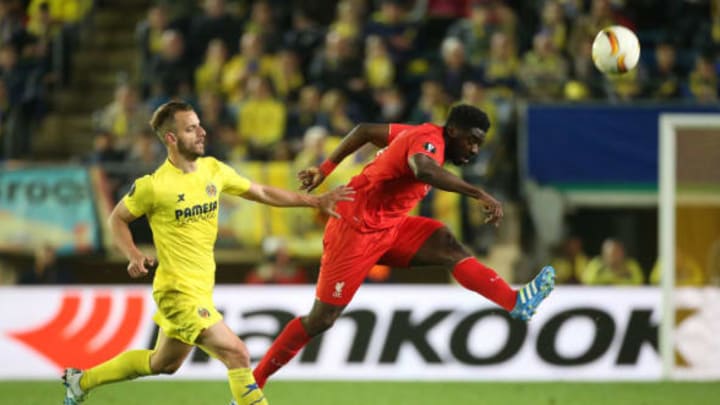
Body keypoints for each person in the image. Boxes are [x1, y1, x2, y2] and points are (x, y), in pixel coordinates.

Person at [62, 101, 353, 405]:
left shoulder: (213, 169)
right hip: (177, 291)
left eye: (199, 124)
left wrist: (315, 201)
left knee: (164, 363)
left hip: (201, 289)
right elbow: (117, 218)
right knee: (237, 353)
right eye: (191, 128)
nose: (202, 132)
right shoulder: (153, 186)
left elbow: (263, 193)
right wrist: (133, 253)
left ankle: (81, 381)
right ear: (171, 139)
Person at [252, 104, 556, 387]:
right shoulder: (428, 141)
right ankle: (253, 383)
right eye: (470, 141)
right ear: (452, 131)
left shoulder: (415, 134)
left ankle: (516, 302)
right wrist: (479, 194)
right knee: (321, 319)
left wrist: (325, 168)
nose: (474, 150)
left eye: (479, 144)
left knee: (446, 243)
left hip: (389, 227)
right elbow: (423, 169)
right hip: (354, 229)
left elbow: (365, 130)